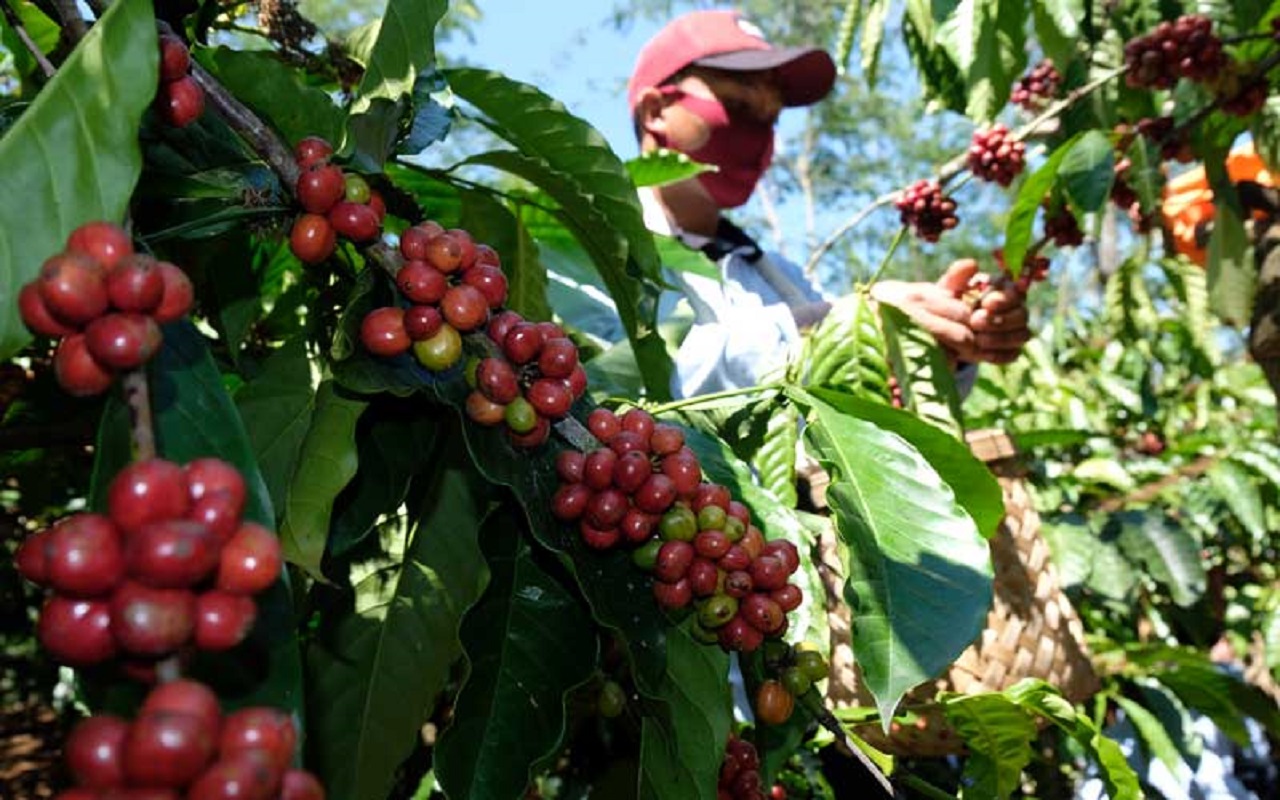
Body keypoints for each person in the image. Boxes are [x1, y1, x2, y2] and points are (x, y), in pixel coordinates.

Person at [625, 9, 1032, 399]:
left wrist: (939, 339)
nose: (762, 140)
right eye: (739, 107)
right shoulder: (597, 247)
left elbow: (857, 396)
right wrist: (840, 323)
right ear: (656, 111)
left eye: (770, 120)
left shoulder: (779, 278)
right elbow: (648, 386)